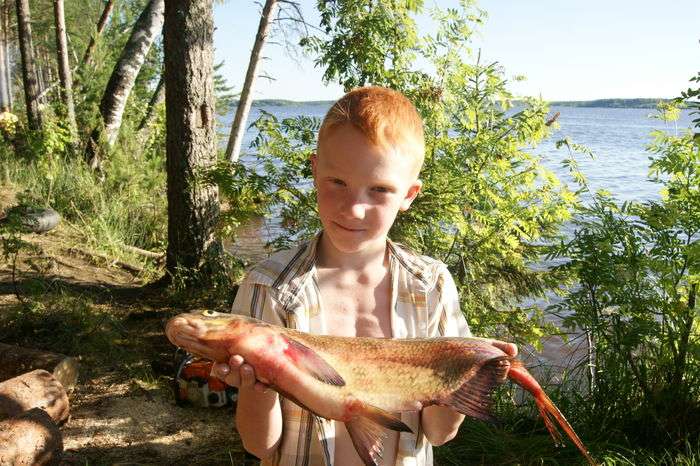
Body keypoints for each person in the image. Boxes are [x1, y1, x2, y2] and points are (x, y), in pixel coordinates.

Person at [211, 86, 517, 466]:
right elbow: (261, 446)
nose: (354, 209)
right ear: (314, 171)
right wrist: (257, 388)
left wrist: (470, 378)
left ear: (409, 195)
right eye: (337, 182)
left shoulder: (431, 285)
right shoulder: (268, 286)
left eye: (380, 190)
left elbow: (438, 432)